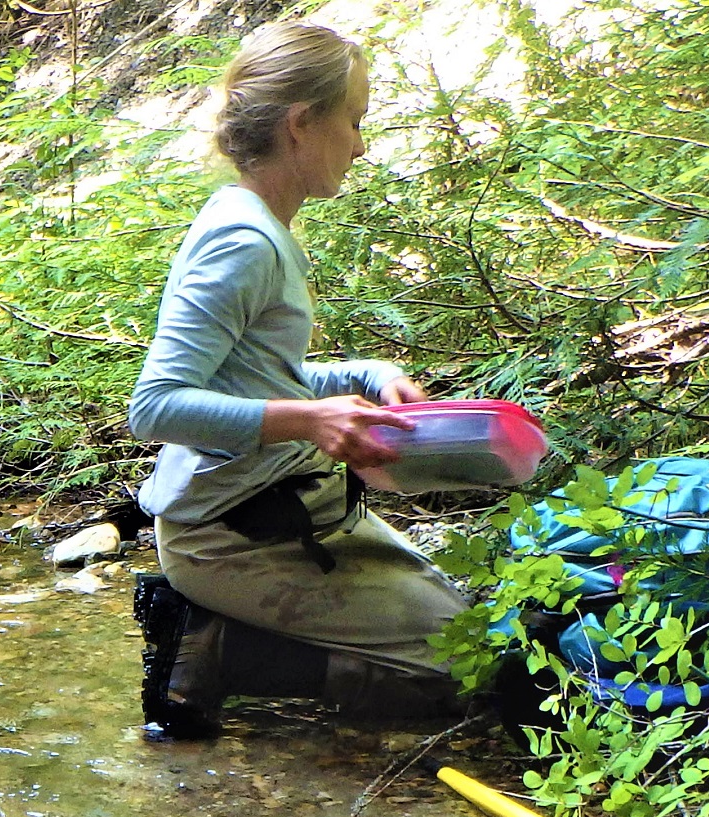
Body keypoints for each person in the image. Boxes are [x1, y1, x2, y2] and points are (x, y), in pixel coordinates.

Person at [128, 22, 470, 737]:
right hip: (230, 533)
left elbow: (254, 376)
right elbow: (155, 406)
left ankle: (247, 636)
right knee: (471, 672)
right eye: (354, 121)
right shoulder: (244, 241)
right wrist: (310, 420)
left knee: (480, 637)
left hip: (284, 510)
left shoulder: (260, 226)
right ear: (301, 124)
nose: (362, 144)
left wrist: (363, 375)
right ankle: (218, 649)